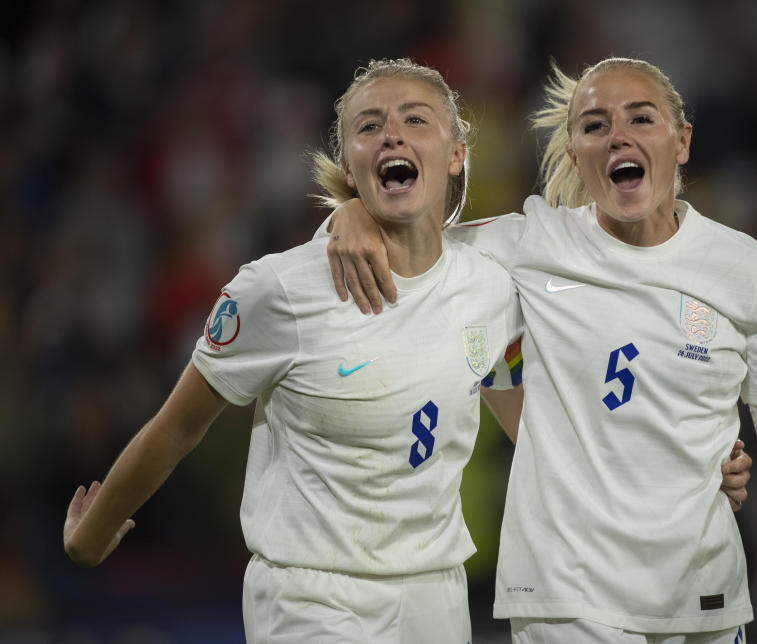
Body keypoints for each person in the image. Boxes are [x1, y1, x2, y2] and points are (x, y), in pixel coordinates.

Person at [323, 56, 757, 643]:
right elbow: (412, 240)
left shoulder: (749, 271)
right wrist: (350, 214)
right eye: (595, 125)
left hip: (704, 592)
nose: (618, 136)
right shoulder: (531, 243)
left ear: (681, 142)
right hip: (567, 596)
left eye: (640, 118)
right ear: (576, 153)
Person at [62, 58, 523, 643]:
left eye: (415, 119)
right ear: (350, 167)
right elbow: (176, 427)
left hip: (440, 596)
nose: (393, 135)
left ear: (457, 153)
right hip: (311, 600)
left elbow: (513, 378)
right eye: (370, 126)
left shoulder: (492, 279)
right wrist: (93, 533)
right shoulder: (278, 289)